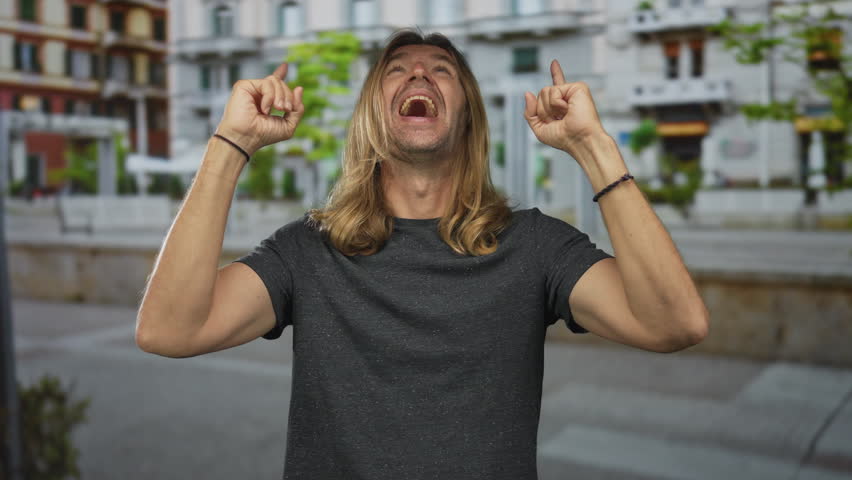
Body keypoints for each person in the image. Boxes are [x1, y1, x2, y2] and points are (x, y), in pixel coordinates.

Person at [136, 29, 709, 479]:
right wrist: (232, 144)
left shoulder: (534, 245)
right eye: (398, 70)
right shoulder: (308, 251)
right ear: (372, 115)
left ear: (466, 115)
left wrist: (594, 149)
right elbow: (167, 330)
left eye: (442, 71)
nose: (419, 74)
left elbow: (675, 323)